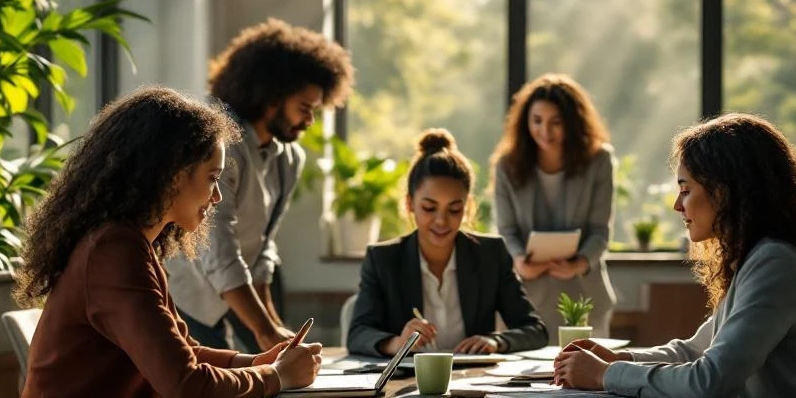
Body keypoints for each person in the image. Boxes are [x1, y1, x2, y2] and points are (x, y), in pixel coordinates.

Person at [13, 87, 323, 398]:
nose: (216, 197)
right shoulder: (113, 252)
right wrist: (275, 376)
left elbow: (183, 353)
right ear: (171, 176)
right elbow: (185, 386)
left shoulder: (130, 245)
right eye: (212, 178)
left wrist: (258, 362)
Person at [553, 113, 796, 398]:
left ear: (727, 191)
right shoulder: (757, 257)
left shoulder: (777, 264)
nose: (678, 205)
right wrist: (619, 358)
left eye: (686, 190)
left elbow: (710, 383)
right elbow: (695, 351)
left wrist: (607, 375)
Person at [165, 18, 354, 352]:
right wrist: (266, 332)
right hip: (187, 293)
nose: (310, 121)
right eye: (304, 109)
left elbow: (263, 245)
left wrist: (272, 325)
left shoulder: (288, 159)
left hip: (239, 284)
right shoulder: (222, 147)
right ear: (271, 98)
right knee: (210, 381)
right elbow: (218, 250)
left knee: (272, 361)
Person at [348, 129, 548, 357]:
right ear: (410, 203)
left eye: (454, 209)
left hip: (473, 383)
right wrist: (398, 344)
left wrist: (496, 341)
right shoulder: (383, 259)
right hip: (408, 383)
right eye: (429, 208)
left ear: (468, 207)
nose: (441, 221)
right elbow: (358, 334)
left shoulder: (490, 255)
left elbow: (536, 330)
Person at [490, 73, 617, 342]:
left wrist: (579, 263)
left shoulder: (599, 161)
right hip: (526, 297)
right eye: (537, 121)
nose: (545, 131)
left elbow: (599, 231)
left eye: (556, 122)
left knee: (587, 377)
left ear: (573, 123)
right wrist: (519, 261)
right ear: (525, 122)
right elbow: (506, 229)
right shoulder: (507, 166)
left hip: (584, 293)